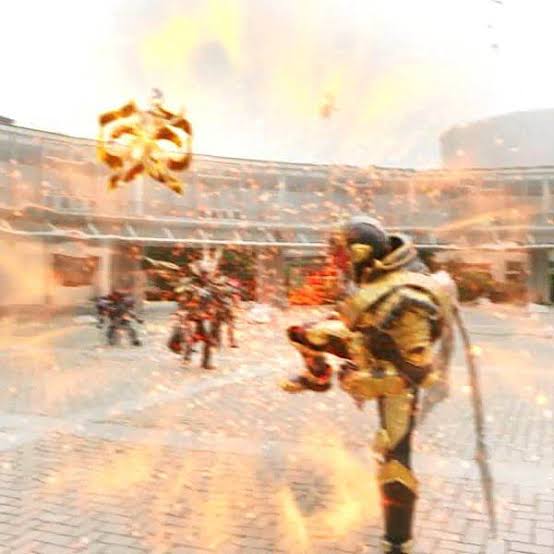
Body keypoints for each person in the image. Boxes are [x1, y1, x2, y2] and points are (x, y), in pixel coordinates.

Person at [280, 216, 454, 554]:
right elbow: (357, 321)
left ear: (361, 254)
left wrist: (365, 382)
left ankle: (398, 541)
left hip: (396, 379)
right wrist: (328, 338)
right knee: (304, 334)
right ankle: (318, 376)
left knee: (394, 458)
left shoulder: (408, 296)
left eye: (344, 256)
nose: (339, 263)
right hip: (369, 348)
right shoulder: (377, 278)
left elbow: (419, 371)